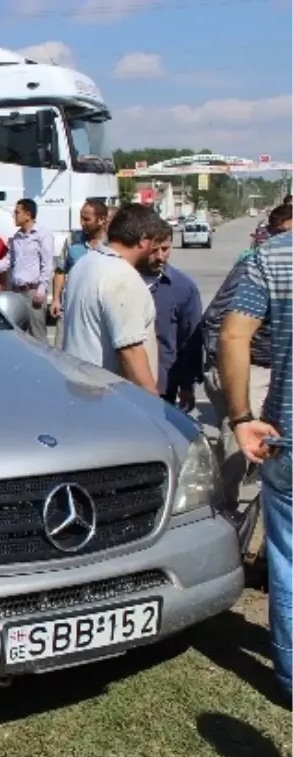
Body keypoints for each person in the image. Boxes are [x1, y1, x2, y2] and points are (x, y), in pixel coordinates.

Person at [217, 215, 293, 709]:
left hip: (287, 435)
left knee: (287, 562)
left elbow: (232, 336)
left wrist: (241, 416)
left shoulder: (274, 256)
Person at [203, 204, 293, 511]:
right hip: (255, 369)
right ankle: (224, 507)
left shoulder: (271, 258)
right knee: (237, 452)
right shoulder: (255, 261)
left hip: (280, 404)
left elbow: (231, 332)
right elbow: (218, 323)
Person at [60, 202, 165, 394]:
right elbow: (130, 352)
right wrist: (153, 406)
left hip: (78, 391)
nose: (156, 252)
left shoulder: (84, 264)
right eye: (154, 243)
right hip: (107, 399)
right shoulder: (122, 278)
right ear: (143, 241)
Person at [139, 225, 203, 410]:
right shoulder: (123, 280)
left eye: (165, 249)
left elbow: (190, 340)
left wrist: (187, 385)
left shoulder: (183, 288)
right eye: (154, 250)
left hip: (164, 385)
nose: (160, 256)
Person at [0, 198, 53, 340]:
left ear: (27, 215)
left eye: (17, 212)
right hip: (17, 293)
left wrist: (41, 290)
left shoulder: (43, 235)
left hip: (33, 293)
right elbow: (8, 261)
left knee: (37, 336)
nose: (14, 215)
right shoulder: (17, 237)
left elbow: (47, 265)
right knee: (18, 336)